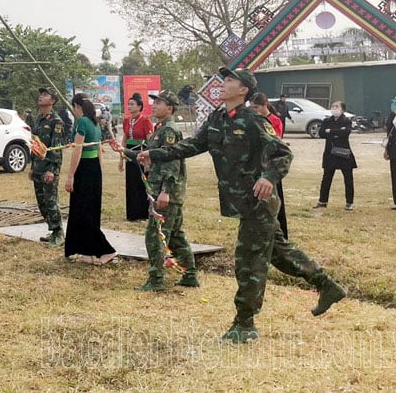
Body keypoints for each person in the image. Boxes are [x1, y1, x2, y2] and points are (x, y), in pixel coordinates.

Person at [138, 67, 346, 344]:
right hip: (241, 201)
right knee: (280, 253)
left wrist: (269, 177)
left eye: (230, 81)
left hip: (258, 203)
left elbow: (283, 152)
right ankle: (327, 285)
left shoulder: (253, 120)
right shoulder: (217, 118)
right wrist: (153, 153)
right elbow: (191, 146)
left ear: (243, 90)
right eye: (223, 80)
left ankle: (244, 323)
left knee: (247, 263)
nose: (223, 85)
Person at [135, 89, 197, 290]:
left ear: (169, 108)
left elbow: (172, 162)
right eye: (154, 102)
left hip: (166, 192)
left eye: (159, 103)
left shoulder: (169, 131)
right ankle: (190, 275)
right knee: (176, 235)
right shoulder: (160, 129)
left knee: (155, 235)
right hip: (163, 191)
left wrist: (166, 191)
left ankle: (156, 280)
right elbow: (155, 157)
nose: (154, 105)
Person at [64, 93, 118, 265]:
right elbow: (98, 149)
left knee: (84, 211)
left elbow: (78, 150)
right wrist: (99, 171)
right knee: (86, 210)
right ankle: (86, 251)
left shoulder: (82, 122)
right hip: (94, 168)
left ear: (77, 107)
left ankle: (107, 250)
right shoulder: (95, 122)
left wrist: (70, 175)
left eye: (73, 108)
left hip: (85, 168)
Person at [249, 93, 290, 238]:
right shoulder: (253, 120)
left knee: (276, 201)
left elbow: (276, 142)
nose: (254, 110)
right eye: (252, 107)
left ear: (265, 105)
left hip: (271, 164)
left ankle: (281, 234)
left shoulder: (274, 120)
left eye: (256, 107)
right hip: (257, 164)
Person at [32, 88, 65, 246]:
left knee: (51, 201)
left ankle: (59, 232)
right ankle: (52, 230)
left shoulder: (56, 121)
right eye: (41, 94)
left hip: (49, 168)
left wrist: (52, 170)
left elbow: (56, 148)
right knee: (42, 202)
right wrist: (32, 167)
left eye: (45, 95)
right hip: (38, 167)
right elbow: (35, 145)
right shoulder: (39, 119)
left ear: (52, 101)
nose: (41, 97)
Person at [313, 100, 357, 211]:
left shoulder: (346, 120)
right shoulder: (327, 120)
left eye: (337, 106)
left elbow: (345, 133)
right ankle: (322, 201)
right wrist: (336, 132)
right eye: (332, 106)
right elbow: (322, 133)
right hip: (330, 153)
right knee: (326, 177)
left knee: (348, 178)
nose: (334, 108)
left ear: (342, 109)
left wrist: (330, 131)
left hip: (343, 152)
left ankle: (349, 202)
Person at [121, 93, 153, 221]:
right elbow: (124, 139)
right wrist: (121, 156)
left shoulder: (145, 121)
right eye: (128, 104)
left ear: (139, 106)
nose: (129, 106)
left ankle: (143, 213)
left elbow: (150, 140)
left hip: (141, 153)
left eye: (132, 104)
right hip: (129, 153)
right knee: (131, 182)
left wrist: (148, 159)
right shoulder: (126, 121)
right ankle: (132, 213)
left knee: (142, 183)